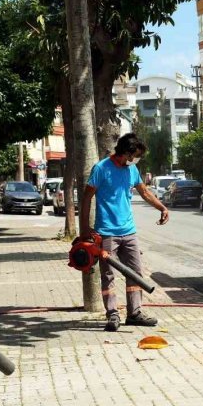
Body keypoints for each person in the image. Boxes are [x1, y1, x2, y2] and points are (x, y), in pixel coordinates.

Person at [80, 133, 169, 332]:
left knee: (136, 273)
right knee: (108, 275)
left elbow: (144, 192)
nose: (137, 159)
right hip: (106, 232)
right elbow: (86, 198)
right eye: (135, 155)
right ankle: (112, 315)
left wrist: (162, 207)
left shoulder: (132, 169)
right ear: (127, 153)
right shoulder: (101, 168)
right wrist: (85, 229)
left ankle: (135, 313)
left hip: (129, 231)